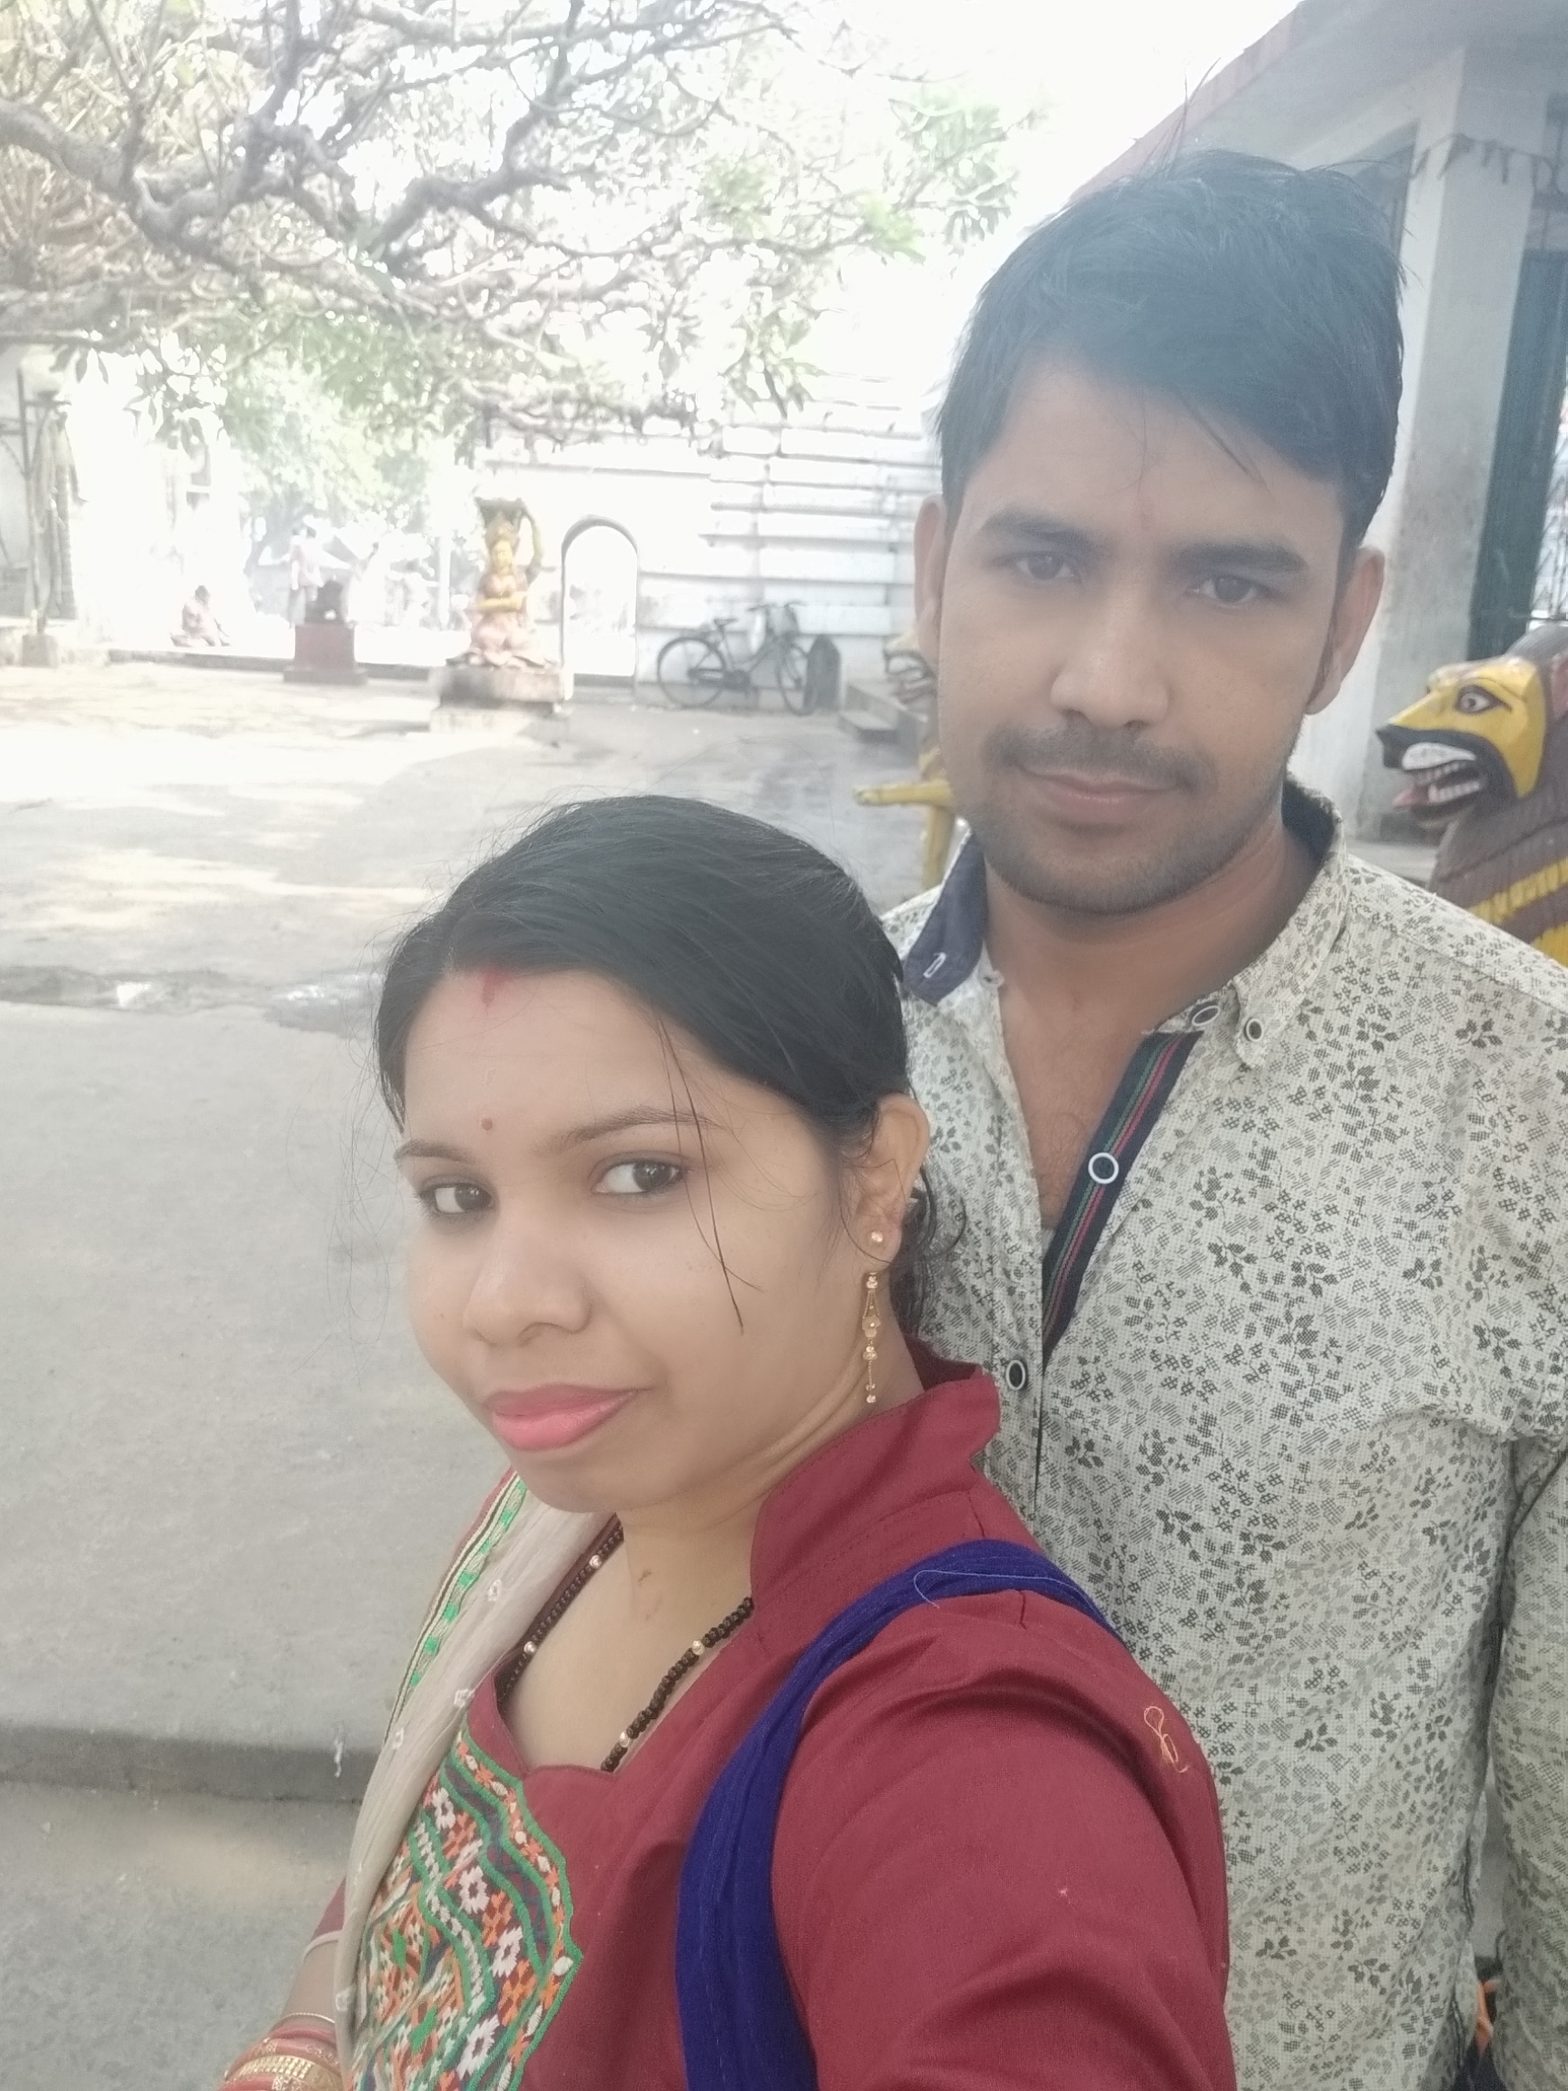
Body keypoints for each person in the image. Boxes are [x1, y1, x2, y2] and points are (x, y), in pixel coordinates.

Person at [219, 797, 1234, 2091]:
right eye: (457, 1197)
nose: (504, 1302)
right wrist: (304, 2047)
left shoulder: (971, 1767)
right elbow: (398, 1885)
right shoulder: (563, 1515)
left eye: (639, 1174)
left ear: (873, 1178)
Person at [895, 149, 1568, 2091]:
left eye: (1226, 580)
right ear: (934, 568)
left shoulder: (1527, 1107)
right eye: (1040, 559)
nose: (1109, 680)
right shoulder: (760, 1048)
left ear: (1345, 620)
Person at [288, 522, 324, 625]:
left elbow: (293, 560)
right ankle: (309, 622)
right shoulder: (318, 547)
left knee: (292, 601)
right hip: (313, 579)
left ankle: (290, 622)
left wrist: (293, 578)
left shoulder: (301, 545)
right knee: (310, 603)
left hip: (300, 577)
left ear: (307, 533)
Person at [174, 584, 227, 649]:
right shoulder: (191, 605)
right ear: (202, 594)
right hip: (198, 640)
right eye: (208, 595)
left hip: (211, 641)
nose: (209, 597)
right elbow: (191, 625)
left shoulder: (204, 606)